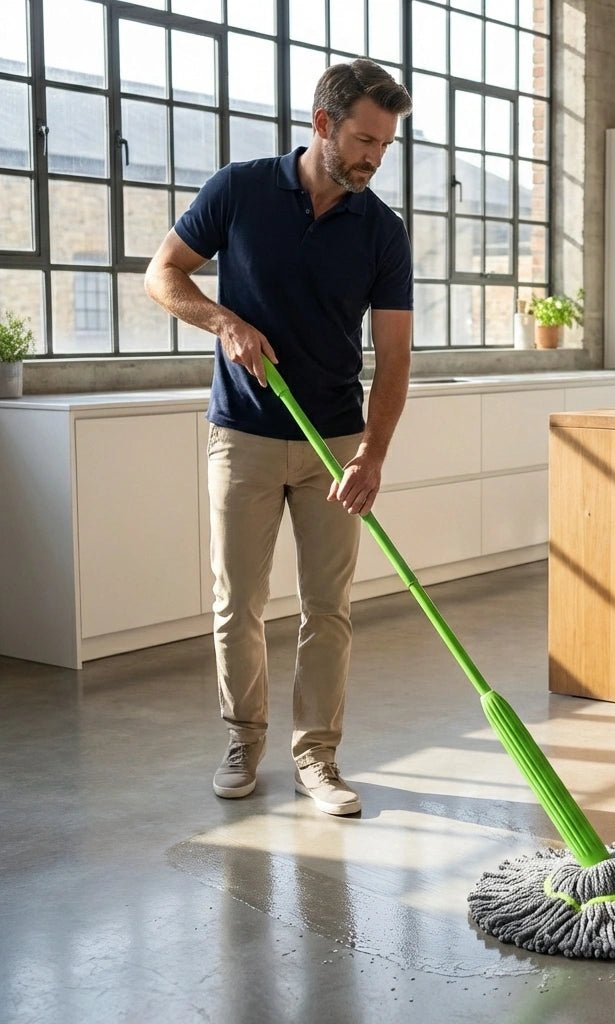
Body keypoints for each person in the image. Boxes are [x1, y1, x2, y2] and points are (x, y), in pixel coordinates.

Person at [144, 59, 413, 817]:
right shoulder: (239, 190)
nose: (373, 158)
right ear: (323, 125)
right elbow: (164, 274)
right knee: (240, 602)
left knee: (328, 609)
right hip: (245, 435)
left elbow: (394, 357)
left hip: (336, 442)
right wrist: (224, 320)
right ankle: (243, 737)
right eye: (364, 140)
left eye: (385, 146)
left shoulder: (381, 230)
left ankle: (317, 757)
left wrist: (373, 454)